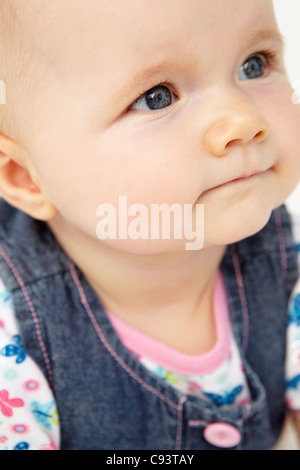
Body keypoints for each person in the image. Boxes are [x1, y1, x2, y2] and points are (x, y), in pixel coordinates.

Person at [0, 0, 300, 450]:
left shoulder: (280, 253)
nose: (243, 120)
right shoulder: (14, 341)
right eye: (156, 97)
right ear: (27, 178)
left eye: (254, 65)